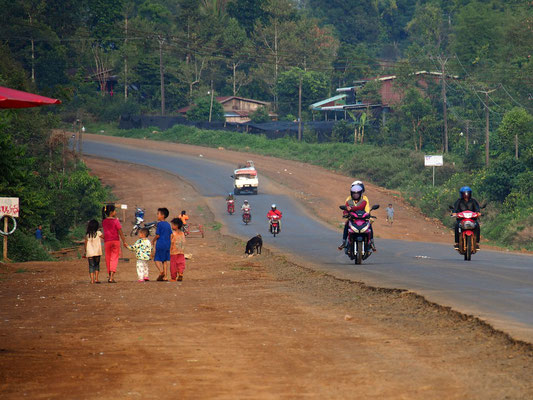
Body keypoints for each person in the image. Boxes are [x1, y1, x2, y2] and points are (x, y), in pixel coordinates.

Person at [338, 181, 376, 251]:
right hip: (352, 218)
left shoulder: (364, 199)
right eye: (354, 192)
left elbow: (366, 208)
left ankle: (371, 242)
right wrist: (345, 213)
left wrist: (368, 215)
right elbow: (346, 208)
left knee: (369, 224)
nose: (356, 194)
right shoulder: (349, 199)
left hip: (363, 217)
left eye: (357, 192)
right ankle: (344, 241)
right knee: (346, 224)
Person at [102, 205, 128, 283]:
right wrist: (124, 241)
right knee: (114, 258)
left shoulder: (104, 221)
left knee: (108, 258)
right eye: (114, 211)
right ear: (111, 212)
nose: (115, 212)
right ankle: (112, 276)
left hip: (107, 242)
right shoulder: (116, 221)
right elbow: (120, 232)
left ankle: (109, 275)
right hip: (115, 241)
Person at [152, 207, 172, 281]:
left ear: (162, 215)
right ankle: (165, 276)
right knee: (165, 260)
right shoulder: (168, 224)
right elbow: (170, 235)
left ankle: (161, 271)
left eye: (158, 214)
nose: (157, 215)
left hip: (160, 243)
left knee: (156, 259)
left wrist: (153, 241)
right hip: (167, 244)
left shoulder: (159, 224)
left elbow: (158, 235)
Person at [84, 219, 103, 284]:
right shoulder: (98, 233)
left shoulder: (87, 234)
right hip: (97, 252)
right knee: (97, 265)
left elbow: (85, 243)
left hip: (90, 252)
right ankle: (96, 279)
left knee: (91, 266)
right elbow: (104, 237)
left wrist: (85, 251)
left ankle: (92, 280)